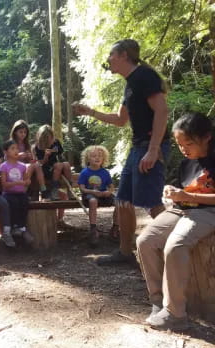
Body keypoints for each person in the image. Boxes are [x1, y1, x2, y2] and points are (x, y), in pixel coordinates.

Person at [73, 39, 169, 265]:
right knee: (123, 200)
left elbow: (162, 111)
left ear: (124, 55)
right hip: (138, 148)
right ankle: (126, 254)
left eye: (111, 54)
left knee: (152, 202)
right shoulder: (130, 83)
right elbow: (120, 119)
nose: (108, 59)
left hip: (150, 146)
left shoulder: (145, 76)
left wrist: (154, 150)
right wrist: (91, 112)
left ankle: (178, 250)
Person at [136, 113, 215, 331]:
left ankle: (176, 313)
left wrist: (189, 197)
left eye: (188, 143)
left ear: (207, 137)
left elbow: (194, 196)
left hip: (208, 211)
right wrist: (170, 192)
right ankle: (158, 302)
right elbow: (179, 188)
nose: (184, 149)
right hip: (181, 210)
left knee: (175, 246)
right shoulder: (186, 163)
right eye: (180, 144)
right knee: (145, 241)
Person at [78, 145, 117, 247]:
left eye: (100, 156)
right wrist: (93, 192)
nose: (97, 158)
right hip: (89, 196)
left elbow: (111, 187)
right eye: (94, 156)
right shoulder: (85, 172)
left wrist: (108, 192)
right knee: (93, 201)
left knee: (120, 202)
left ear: (104, 158)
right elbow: (82, 189)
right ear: (88, 159)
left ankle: (115, 228)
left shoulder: (105, 172)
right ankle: (93, 230)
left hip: (103, 195)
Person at [0, 140, 34, 244]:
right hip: (8, 193)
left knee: (24, 203)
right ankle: (14, 227)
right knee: (13, 203)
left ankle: (22, 229)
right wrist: (15, 183)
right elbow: (4, 184)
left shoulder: (23, 166)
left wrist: (27, 182)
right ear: (6, 152)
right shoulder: (4, 166)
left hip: (21, 193)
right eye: (12, 148)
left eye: (16, 148)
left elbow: (27, 180)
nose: (16, 151)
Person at [9, 119, 48, 200]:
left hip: (26, 168)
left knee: (36, 165)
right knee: (31, 166)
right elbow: (7, 160)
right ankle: (24, 191)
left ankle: (43, 189)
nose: (23, 134)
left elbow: (32, 160)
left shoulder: (26, 144)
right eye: (21, 132)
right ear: (15, 132)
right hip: (14, 168)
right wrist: (18, 156)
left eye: (25, 132)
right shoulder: (11, 143)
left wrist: (30, 158)